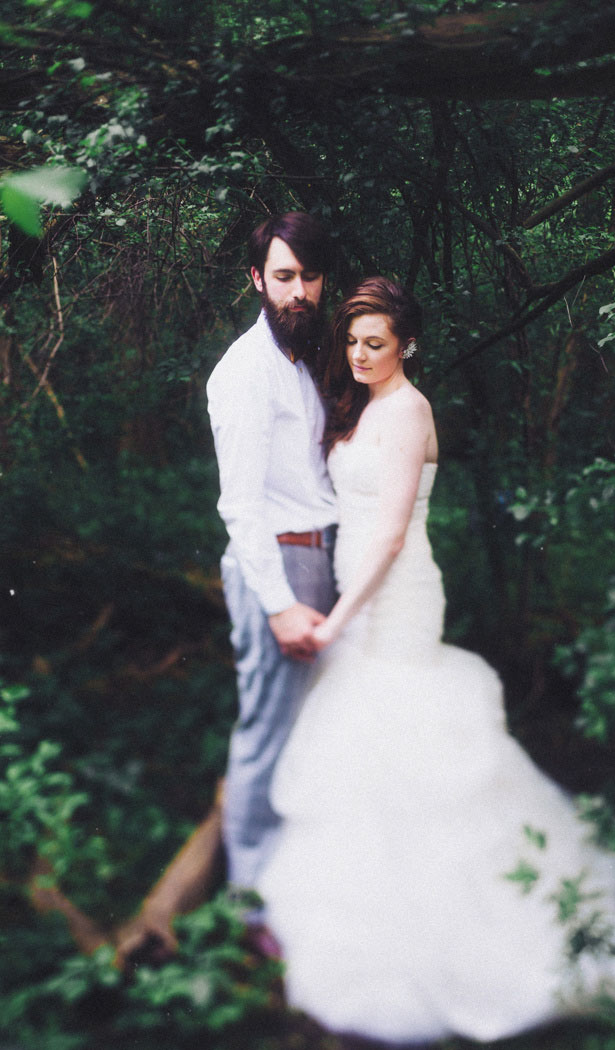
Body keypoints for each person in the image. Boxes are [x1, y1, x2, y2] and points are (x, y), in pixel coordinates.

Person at [259, 277, 615, 1044]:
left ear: (406, 343)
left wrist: (338, 617)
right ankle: (371, 914)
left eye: (376, 342)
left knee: (408, 737)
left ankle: (454, 935)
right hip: (354, 590)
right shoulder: (365, 406)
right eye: (353, 341)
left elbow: (393, 535)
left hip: (398, 598)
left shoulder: (409, 410)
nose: (362, 355)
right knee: (362, 751)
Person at [206, 212, 337, 926]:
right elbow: (240, 505)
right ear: (257, 279)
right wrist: (281, 604)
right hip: (278, 566)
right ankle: (249, 909)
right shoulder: (245, 372)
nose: (298, 291)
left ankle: (294, 888)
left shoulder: (302, 363)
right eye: (283, 276)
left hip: (318, 558)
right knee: (267, 730)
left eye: (308, 277)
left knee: (309, 729)